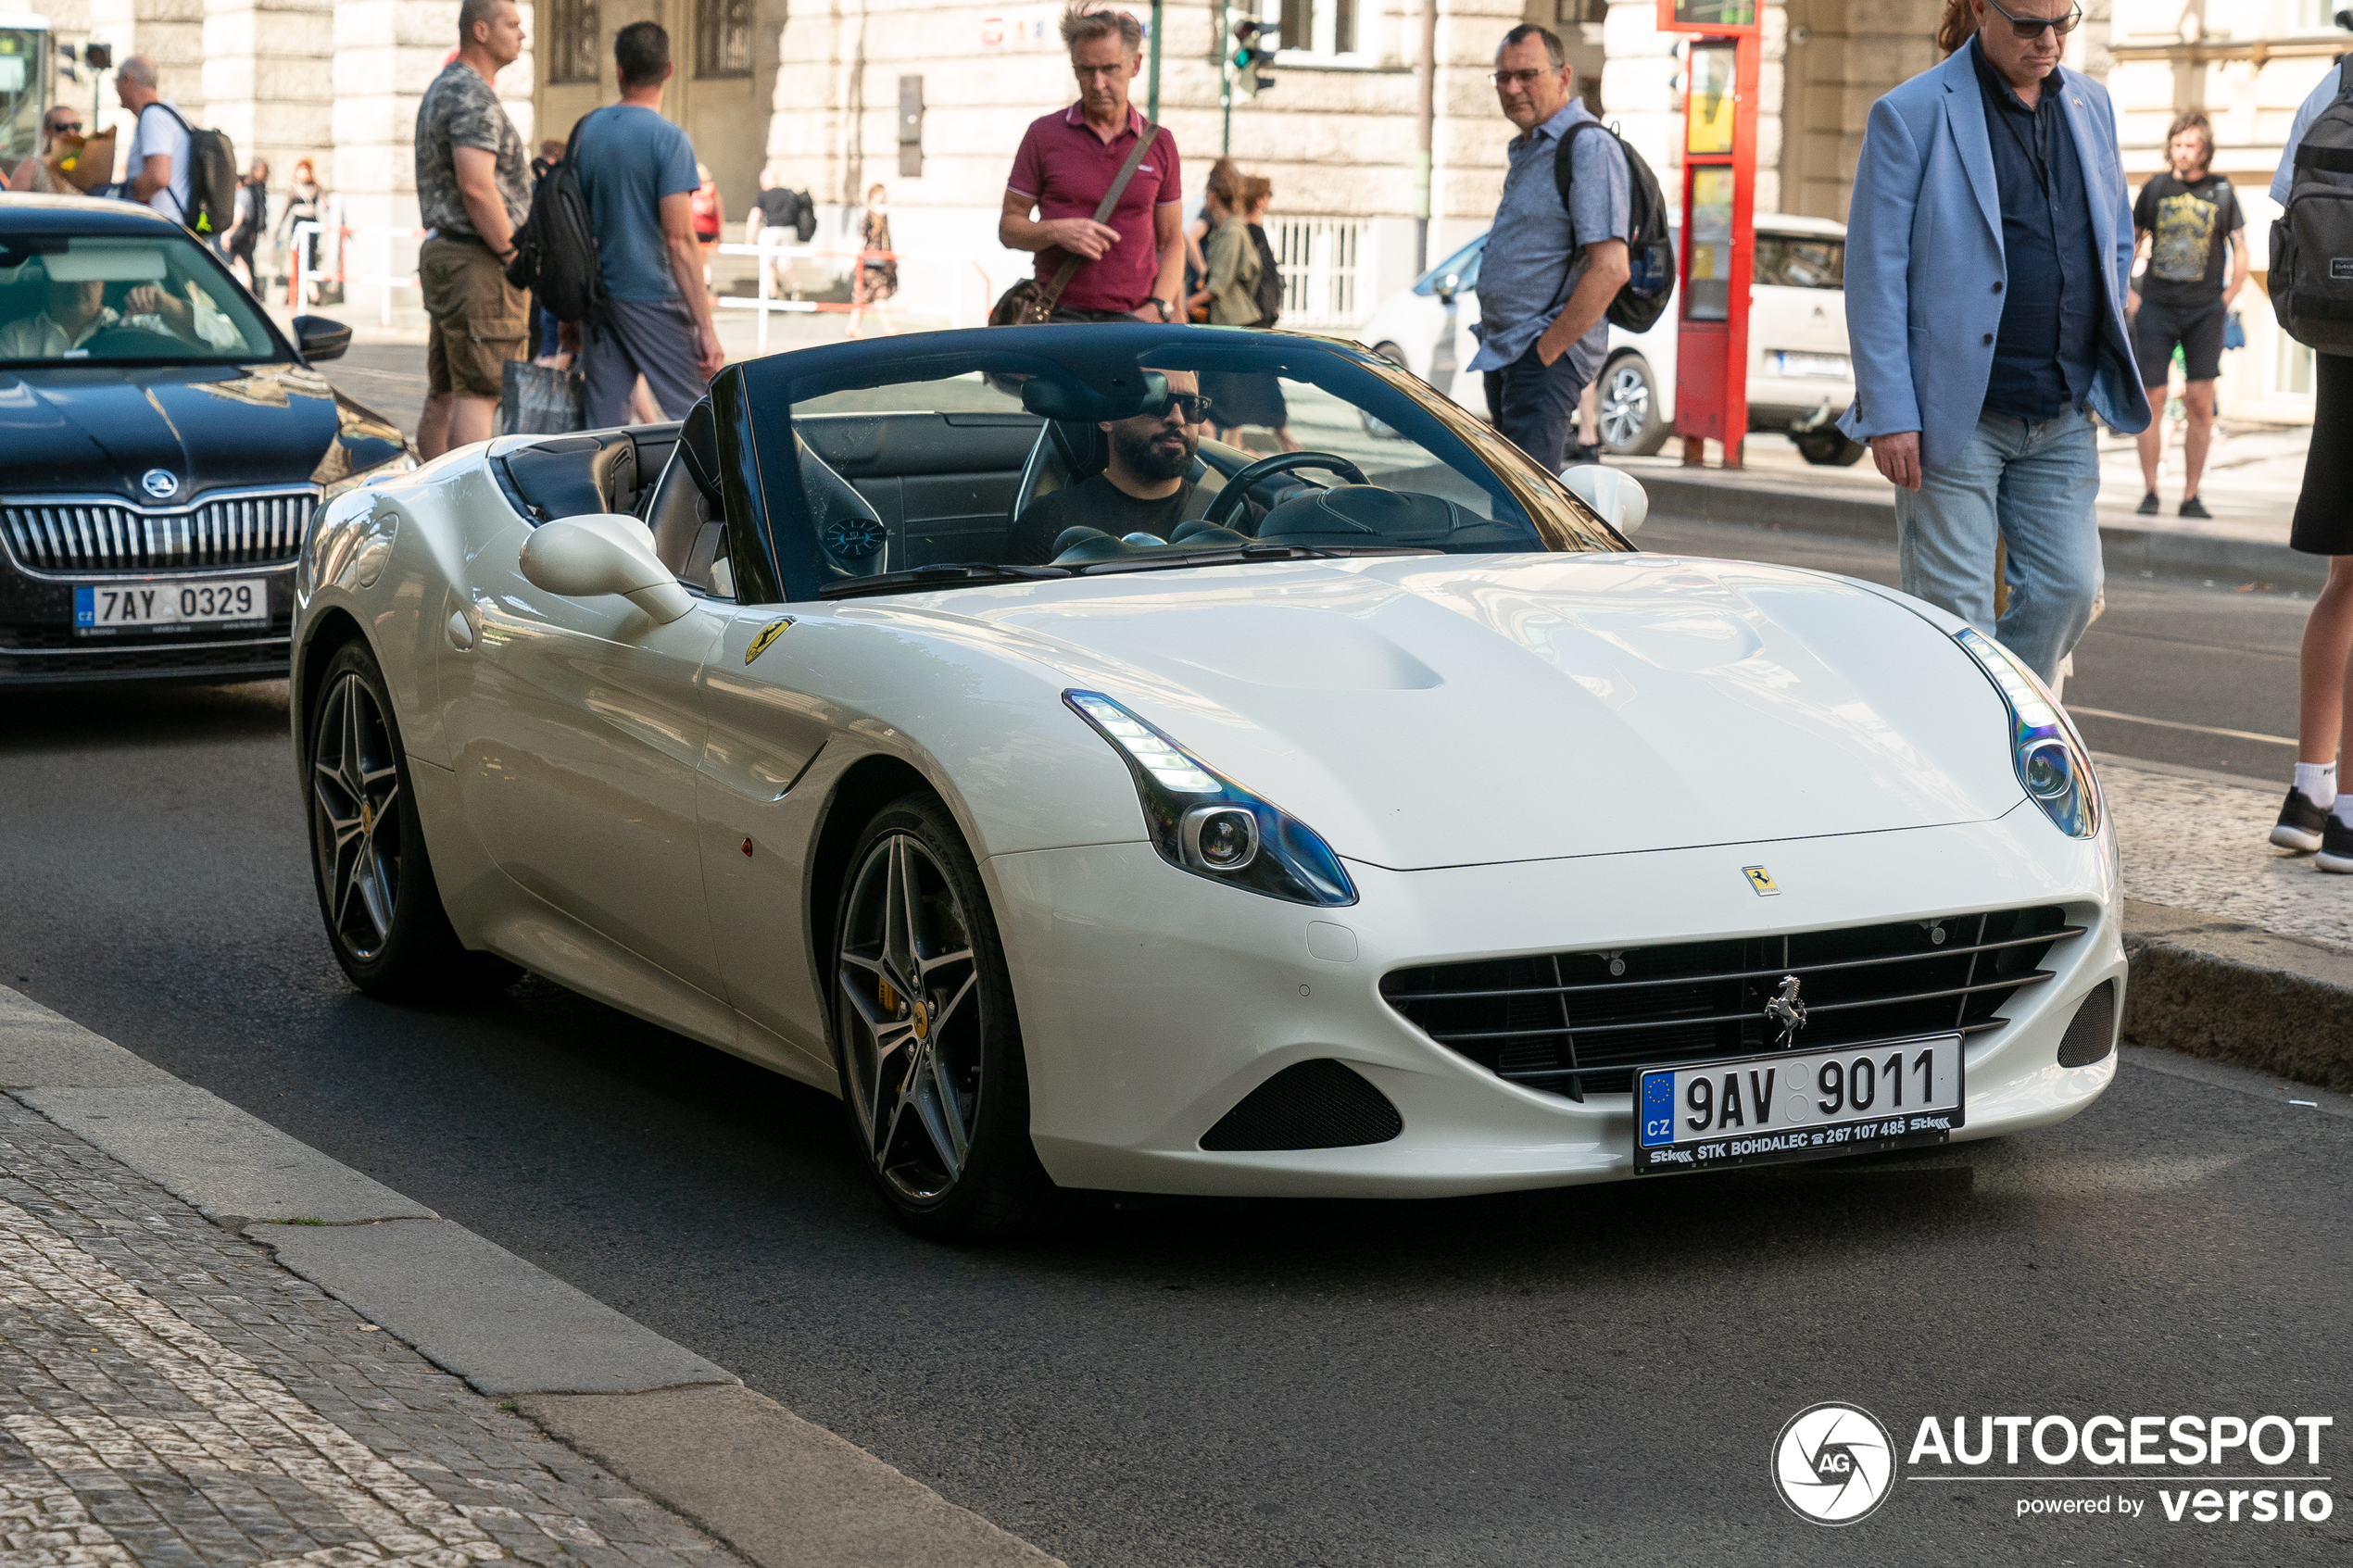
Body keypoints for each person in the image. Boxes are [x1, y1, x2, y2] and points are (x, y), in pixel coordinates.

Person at [1836, 0, 2147, 687]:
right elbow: (1873, 271)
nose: (2049, 41)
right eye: (2029, 24)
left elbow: (2114, 232)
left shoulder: (2092, 103)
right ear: (1981, 8)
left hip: (2063, 408)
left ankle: (2004, 725)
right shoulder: (1911, 112)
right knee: (1955, 619)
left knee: (2070, 589)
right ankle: (1969, 761)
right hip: (1953, 416)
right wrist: (1889, 410)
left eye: (2063, 22)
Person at [1465, 24, 1631, 475]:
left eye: (1527, 74)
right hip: (1508, 350)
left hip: (1540, 358)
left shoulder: (1587, 146)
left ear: (1563, 77)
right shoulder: (1531, 146)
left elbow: (1612, 268)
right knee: (1513, 499)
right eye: (1503, 77)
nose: (1513, 88)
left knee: (1528, 515)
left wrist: (1547, 350)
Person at [2267, 72, 2353, 869]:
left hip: (2341, 354)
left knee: (2346, 576)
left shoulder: (2333, 83)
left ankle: (2310, 791)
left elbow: (2287, 211)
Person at [568, 20, 726, 428]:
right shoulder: (669, 140)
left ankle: (607, 492)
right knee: (700, 418)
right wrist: (705, 327)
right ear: (669, 70)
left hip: (598, 301)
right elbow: (679, 241)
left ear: (619, 70)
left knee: (604, 428)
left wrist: (568, 313)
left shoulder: (587, 130)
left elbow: (571, 225)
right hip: (653, 297)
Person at [1000, 5, 1186, 323]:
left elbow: (1172, 242)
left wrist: (1159, 307)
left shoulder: (1160, 143)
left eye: (1110, 68)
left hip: (1134, 320)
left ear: (1135, 65)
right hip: (1057, 315)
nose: (1098, 83)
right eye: (1086, 70)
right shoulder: (1043, 135)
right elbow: (1009, 228)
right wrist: (1056, 231)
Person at [413, 0, 534, 458]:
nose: (522, 34)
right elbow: (477, 188)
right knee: (480, 394)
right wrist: (512, 256)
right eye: (513, 24)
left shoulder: (447, 87)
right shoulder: (471, 94)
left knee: (445, 392)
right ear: (480, 30)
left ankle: (428, 497)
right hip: (478, 261)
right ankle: (468, 515)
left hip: (450, 254)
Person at [2127, 110, 2246, 521]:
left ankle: (2191, 494)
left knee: (2199, 401)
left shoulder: (2223, 191)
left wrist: (2228, 295)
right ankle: (2150, 490)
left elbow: (2241, 248)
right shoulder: (2154, 188)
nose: (2182, 151)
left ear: (2205, 149)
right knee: (2151, 399)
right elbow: (2131, 240)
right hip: (2156, 306)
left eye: (2191, 144)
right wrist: (2127, 292)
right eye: (2177, 144)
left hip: (2204, 311)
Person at [1004, 371, 1215, 563]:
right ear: (1107, 416)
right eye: (1155, 403)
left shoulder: (1232, 512)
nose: (1177, 419)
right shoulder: (1049, 522)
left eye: (1190, 406)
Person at [0, 276, 239, 358]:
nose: (76, 284)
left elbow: (225, 338)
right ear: (47, 284)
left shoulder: (139, 325)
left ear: (103, 284)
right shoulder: (15, 337)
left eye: (87, 274)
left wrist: (165, 303)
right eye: (66, 274)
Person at [116, 56, 194, 224]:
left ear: (126, 81)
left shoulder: (153, 116)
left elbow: (158, 177)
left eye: (116, 81)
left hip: (162, 226)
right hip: (172, 225)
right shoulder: (170, 113)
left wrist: (122, 194)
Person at [846, 182, 899, 338]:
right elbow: (861, 236)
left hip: (882, 261)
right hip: (870, 262)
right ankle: (886, 328)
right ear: (873, 195)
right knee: (872, 294)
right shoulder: (868, 214)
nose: (884, 197)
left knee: (873, 295)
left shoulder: (883, 214)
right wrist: (853, 257)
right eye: (880, 194)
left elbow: (886, 239)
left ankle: (853, 327)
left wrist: (891, 258)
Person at [276, 159, 328, 303]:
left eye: (305, 170)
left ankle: (313, 293)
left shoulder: (316, 188)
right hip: (298, 224)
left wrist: (325, 205)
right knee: (296, 257)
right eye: (300, 170)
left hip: (311, 225)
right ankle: (293, 293)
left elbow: (324, 202)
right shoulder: (294, 189)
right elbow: (286, 209)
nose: (302, 173)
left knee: (310, 258)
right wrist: (278, 228)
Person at [6, 106, 82, 194]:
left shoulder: (85, 168)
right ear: (46, 131)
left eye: (76, 127)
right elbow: (12, 205)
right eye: (61, 127)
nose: (71, 133)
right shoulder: (32, 167)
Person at [221, 160, 271, 290]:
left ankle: (248, 292)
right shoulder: (254, 190)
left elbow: (241, 217)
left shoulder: (247, 192)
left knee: (241, 262)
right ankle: (250, 292)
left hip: (244, 232)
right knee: (243, 263)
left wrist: (228, 235)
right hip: (249, 232)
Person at [690, 160, 724, 297]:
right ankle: (707, 280)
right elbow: (720, 212)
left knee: (694, 255)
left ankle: (697, 282)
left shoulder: (691, 190)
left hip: (695, 228)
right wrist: (720, 233)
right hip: (709, 230)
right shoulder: (712, 190)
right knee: (704, 256)